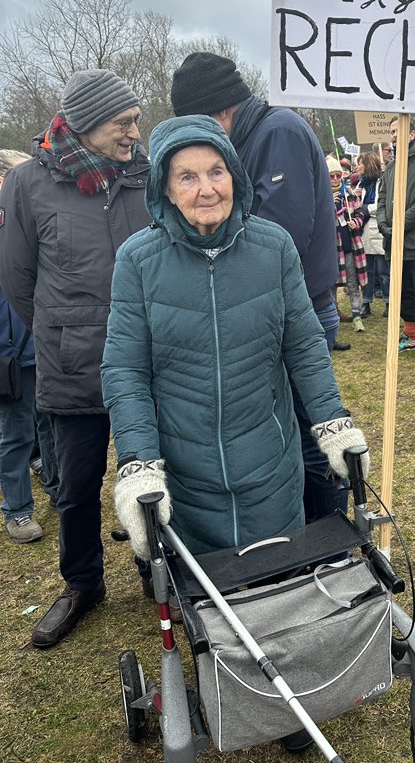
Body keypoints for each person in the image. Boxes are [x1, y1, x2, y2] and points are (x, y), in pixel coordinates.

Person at [101, 116, 368, 563]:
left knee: (279, 580)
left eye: (216, 172)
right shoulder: (138, 260)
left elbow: (304, 345)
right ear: (165, 189)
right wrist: (138, 464)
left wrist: (332, 422)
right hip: (185, 476)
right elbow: (125, 369)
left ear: (235, 176)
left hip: (270, 464)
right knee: (205, 593)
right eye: (187, 177)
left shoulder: (274, 246)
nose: (207, 189)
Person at [0, 69, 151, 647]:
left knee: (152, 474)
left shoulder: (144, 174)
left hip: (145, 360)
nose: (134, 132)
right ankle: (83, 583)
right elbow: (18, 280)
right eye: (123, 123)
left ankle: (157, 569)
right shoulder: (27, 184)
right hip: (70, 364)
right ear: (85, 125)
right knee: (76, 486)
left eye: (135, 121)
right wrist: (61, 330)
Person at [170, 52, 347, 517]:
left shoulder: (277, 132)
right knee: (286, 432)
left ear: (217, 112)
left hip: (296, 311)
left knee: (311, 437)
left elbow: (279, 237)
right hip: (276, 309)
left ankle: (330, 541)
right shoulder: (254, 137)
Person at [0, 151, 44, 543]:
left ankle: (54, 482)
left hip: (41, 347)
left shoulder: (32, 224)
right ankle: (17, 510)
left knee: (48, 426)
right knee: (15, 433)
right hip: (8, 354)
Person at [377, 118, 415, 362]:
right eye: (392, 131)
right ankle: (410, 335)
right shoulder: (391, 166)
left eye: (399, 130)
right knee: (403, 292)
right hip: (395, 241)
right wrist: (384, 225)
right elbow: (382, 199)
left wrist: (399, 226)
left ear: (412, 134)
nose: (394, 135)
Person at [328, 155, 367, 333]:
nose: (336, 179)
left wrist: (356, 223)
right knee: (331, 283)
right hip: (331, 248)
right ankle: (333, 315)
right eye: (332, 176)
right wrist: (330, 206)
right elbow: (318, 218)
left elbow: (360, 214)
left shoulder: (350, 194)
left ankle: (356, 316)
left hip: (350, 246)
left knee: (352, 282)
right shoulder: (322, 195)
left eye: (338, 175)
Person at [356, 151, 389, 317]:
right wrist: (355, 199)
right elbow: (356, 205)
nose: (357, 166)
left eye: (360, 163)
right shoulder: (361, 184)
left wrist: (364, 209)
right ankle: (366, 302)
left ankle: (389, 303)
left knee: (384, 271)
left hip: (377, 229)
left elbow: (381, 206)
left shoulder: (381, 182)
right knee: (366, 271)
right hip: (364, 231)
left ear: (368, 164)